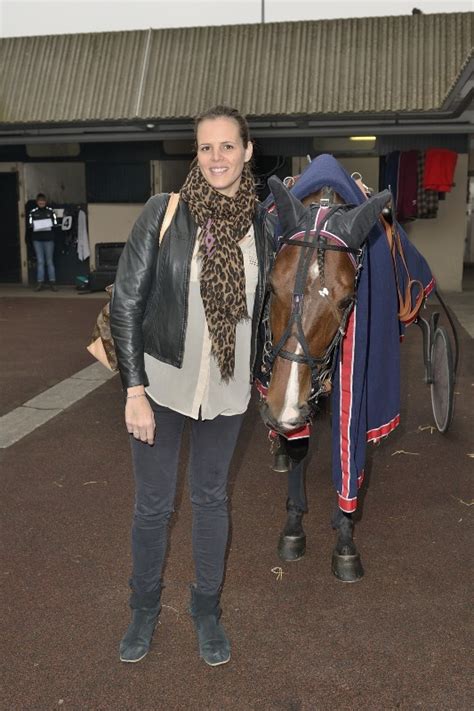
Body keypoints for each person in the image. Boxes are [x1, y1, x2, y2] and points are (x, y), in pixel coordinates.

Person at [110, 105, 275, 666]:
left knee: (210, 500)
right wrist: (134, 391)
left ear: (248, 151)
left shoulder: (265, 225)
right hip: (160, 388)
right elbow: (126, 303)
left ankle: (206, 608)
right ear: (195, 153)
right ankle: (144, 607)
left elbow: (274, 311)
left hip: (228, 395)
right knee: (153, 506)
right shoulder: (165, 211)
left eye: (228, 146)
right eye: (206, 147)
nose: (217, 158)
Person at [27, 193, 58, 291]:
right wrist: (36, 225)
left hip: (49, 239)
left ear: (45, 201)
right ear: (37, 202)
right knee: (40, 261)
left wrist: (48, 224)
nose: (41, 202)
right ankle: (40, 283)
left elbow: (55, 223)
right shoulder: (33, 212)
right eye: (40, 201)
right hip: (37, 240)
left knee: (49, 261)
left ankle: (52, 283)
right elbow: (30, 224)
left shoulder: (50, 211)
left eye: (43, 201)